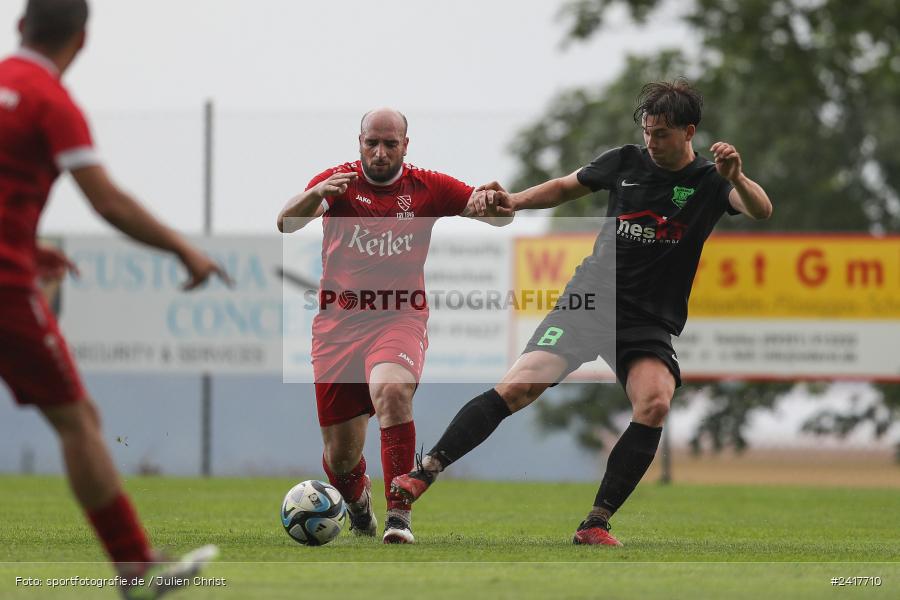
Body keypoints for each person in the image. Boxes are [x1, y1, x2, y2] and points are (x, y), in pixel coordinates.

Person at [391, 79, 773, 546]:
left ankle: (595, 522)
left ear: (689, 131)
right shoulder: (625, 162)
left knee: (654, 402)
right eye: (648, 131)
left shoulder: (711, 182)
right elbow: (563, 187)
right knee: (518, 386)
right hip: (588, 301)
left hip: (646, 321)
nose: (651, 142)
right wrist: (513, 200)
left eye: (662, 134)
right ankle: (424, 472)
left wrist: (736, 176)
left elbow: (760, 209)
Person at [0, 0, 228, 595]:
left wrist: (28, 245)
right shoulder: (53, 102)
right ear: (81, 41)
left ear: (20, 26)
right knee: (78, 420)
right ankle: (135, 566)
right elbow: (109, 201)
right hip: (2, 285)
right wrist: (184, 249)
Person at [277, 107, 510, 543]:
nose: (380, 152)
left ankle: (399, 516)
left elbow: (499, 217)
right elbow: (285, 223)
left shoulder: (427, 187)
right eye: (372, 142)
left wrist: (492, 203)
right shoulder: (338, 184)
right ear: (359, 142)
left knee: (392, 390)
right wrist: (317, 195)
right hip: (337, 327)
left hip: (399, 316)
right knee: (341, 458)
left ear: (406, 144)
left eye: (390, 143)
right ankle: (357, 500)